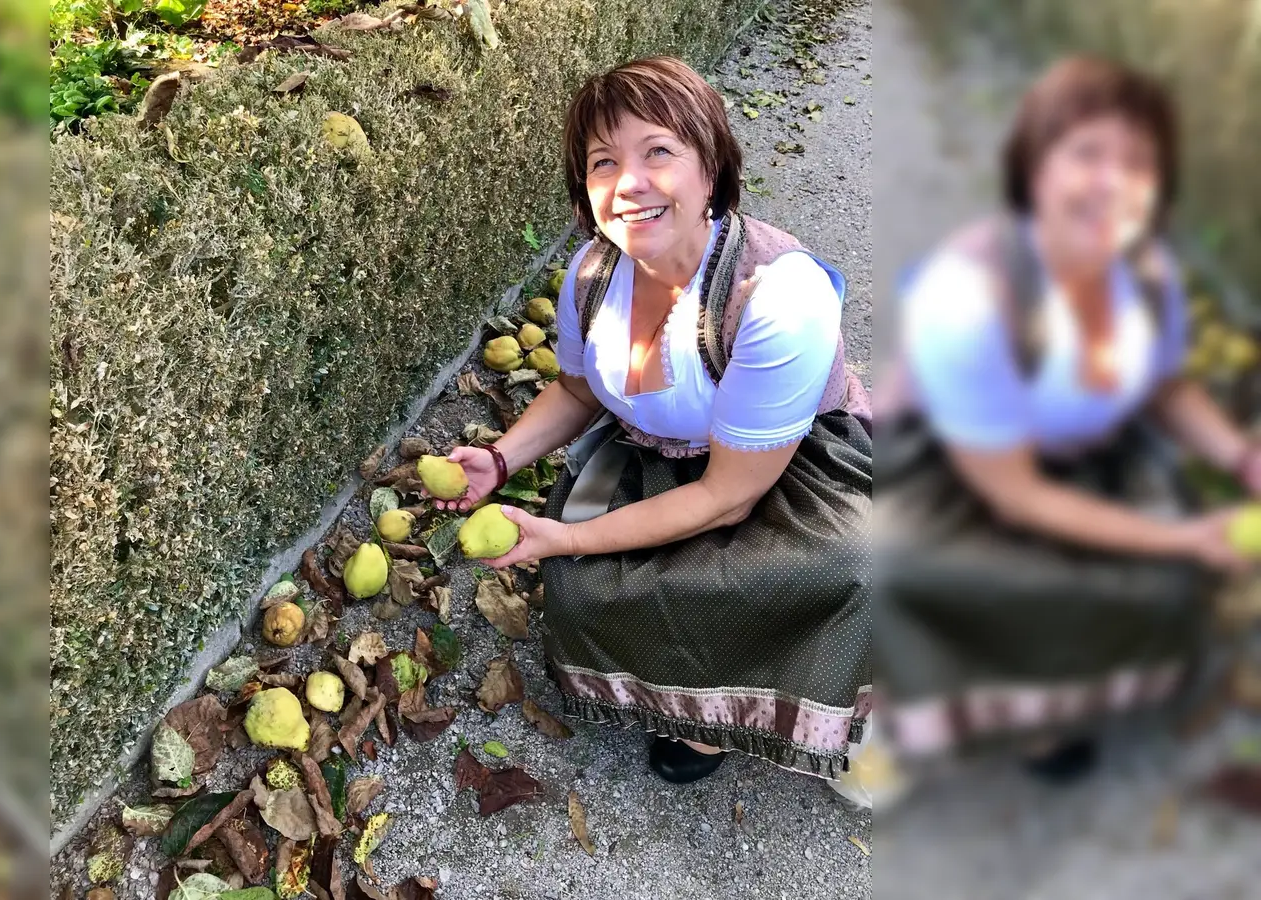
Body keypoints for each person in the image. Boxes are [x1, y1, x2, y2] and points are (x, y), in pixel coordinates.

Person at [428, 56, 873, 785]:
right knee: (579, 587)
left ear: (711, 167)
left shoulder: (778, 300)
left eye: (658, 151)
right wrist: (501, 460)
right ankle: (689, 700)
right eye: (603, 162)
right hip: (660, 452)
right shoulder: (592, 274)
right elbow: (579, 392)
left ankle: (784, 709)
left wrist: (565, 535)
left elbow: (729, 495)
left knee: (840, 571)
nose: (628, 183)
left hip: (780, 468)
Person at [875, 56, 1257, 781]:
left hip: (1083, 457)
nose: (1114, 182)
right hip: (953, 475)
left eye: (1138, 162)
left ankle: (1049, 713)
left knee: (1152, 588)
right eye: (1087, 153)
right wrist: (1181, 537)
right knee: (965, 585)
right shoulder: (969, 294)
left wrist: (1242, 460)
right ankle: (910, 720)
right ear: (1034, 167)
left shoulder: (1146, 274)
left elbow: (1165, 389)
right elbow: (1013, 493)